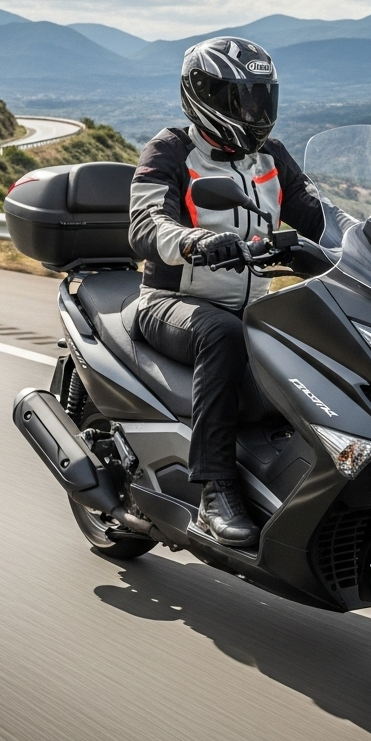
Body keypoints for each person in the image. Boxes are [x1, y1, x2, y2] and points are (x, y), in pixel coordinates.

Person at [128, 37, 339, 548]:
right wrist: (195, 241)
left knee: (316, 332)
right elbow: (145, 224)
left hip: (254, 308)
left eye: (262, 98)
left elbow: (321, 216)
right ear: (202, 96)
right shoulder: (170, 151)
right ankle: (213, 489)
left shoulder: (272, 158)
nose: (253, 112)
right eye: (239, 99)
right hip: (171, 302)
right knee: (221, 335)